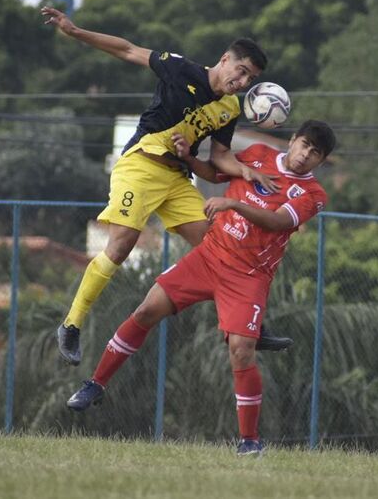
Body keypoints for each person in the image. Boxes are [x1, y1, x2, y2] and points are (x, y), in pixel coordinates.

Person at [66, 119, 336, 456]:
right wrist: (190, 160)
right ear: (293, 141)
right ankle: (95, 384)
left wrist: (233, 204)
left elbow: (279, 221)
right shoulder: (256, 154)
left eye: (315, 153)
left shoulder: (313, 194)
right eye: (304, 145)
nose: (306, 154)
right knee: (146, 310)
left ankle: (249, 441)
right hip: (209, 257)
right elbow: (215, 173)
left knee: (240, 349)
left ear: (320, 161)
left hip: (248, 276)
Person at [41, 6, 293, 365]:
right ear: (225, 60)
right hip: (141, 165)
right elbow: (128, 50)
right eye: (240, 72)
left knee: (221, 246)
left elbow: (220, 158)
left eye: (249, 79)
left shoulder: (230, 107)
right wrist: (76, 31)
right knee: (122, 244)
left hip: (176, 179)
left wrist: (245, 172)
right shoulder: (179, 68)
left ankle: (249, 325)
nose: (241, 82)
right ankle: (71, 324)